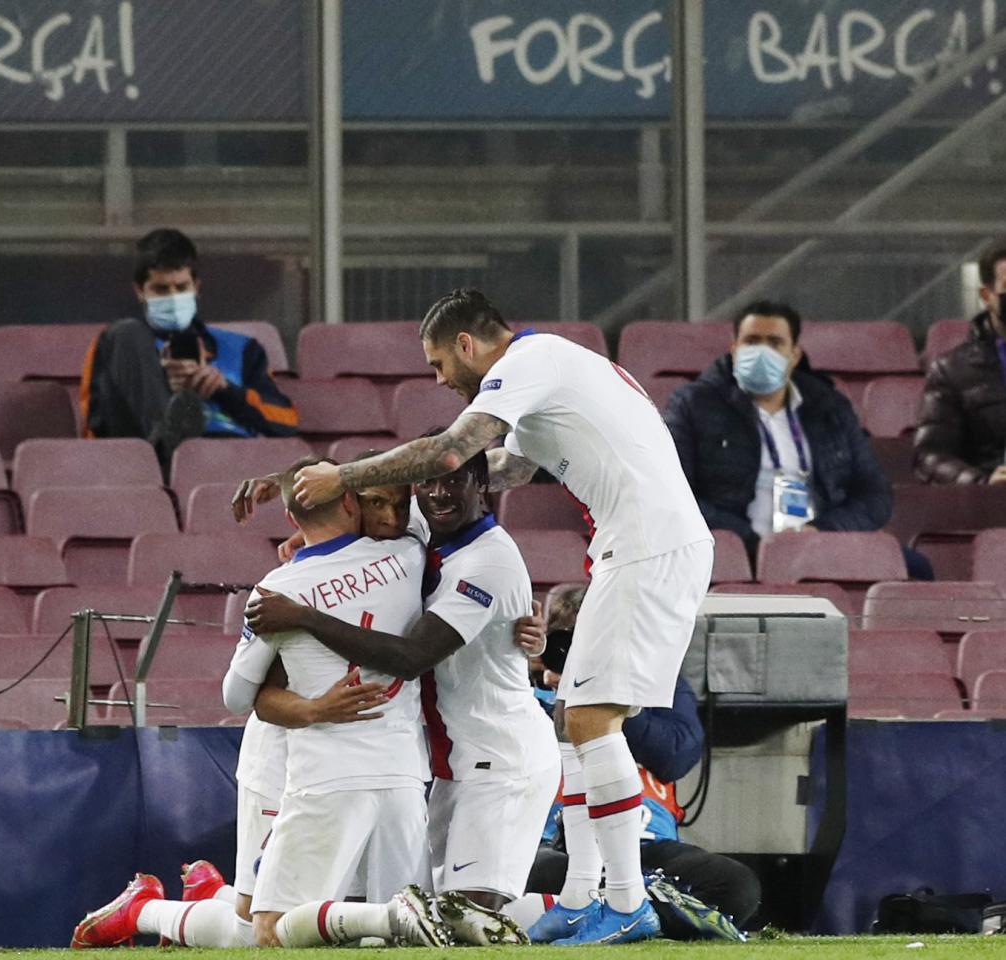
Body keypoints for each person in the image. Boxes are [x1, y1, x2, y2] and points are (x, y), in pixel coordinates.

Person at [246, 288, 713, 945]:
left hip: (646, 544)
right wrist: (322, 514)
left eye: (439, 365)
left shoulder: (527, 363)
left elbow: (450, 454)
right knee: (578, 717)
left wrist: (344, 478)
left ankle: (628, 902)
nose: (440, 380)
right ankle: (585, 897)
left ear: (466, 344)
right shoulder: (553, 372)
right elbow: (489, 469)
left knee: (588, 718)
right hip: (641, 543)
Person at [69, 472, 429, 950]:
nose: (390, 516)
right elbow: (246, 700)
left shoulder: (398, 551)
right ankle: (148, 910)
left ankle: (200, 896)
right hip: (283, 755)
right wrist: (315, 707)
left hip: (361, 763)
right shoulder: (394, 557)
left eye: (398, 506)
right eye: (377, 503)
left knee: (306, 921)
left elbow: (237, 692)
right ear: (351, 503)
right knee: (255, 924)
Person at [245, 449, 555, 946]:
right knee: (424, 922)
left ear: (481, 483)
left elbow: (411, 657)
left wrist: (304, 614)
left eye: (453, 482)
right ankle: (591, 899)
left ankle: (606, 899)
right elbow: (362, 500)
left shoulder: (488, 561)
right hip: (445, 762)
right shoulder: (423, 521)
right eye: (426, 484)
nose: (436, 493)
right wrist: (293, 492)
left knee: (455, 924)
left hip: (501, 760)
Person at [504, 585, 758, 940]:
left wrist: (603, 696)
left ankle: (625, 908)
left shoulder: (654, 685)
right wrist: (548, 685)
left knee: (736, 884)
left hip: (648, 840)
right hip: (560, 844)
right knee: (532, 872)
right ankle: (646, 909)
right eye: (578, 646)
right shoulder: (529, 694)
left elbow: (677, 755)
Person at [662, 301, 903, 566]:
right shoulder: (693, 405)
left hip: (819, 548)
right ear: (734, 349)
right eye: (752, 341)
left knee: (914, 566)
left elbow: (876, 495)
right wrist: (752, 543)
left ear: (794, 355)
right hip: (735, 552)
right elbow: (676, 494)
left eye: (775, 343)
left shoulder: (830, 407)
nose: (762, 352)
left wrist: (822, 531)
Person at [81, 229, 298, 459]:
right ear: (140, 291)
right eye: (161, 289)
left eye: (181, 287)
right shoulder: (120, 347)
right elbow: (97, 427)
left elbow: (287, 422)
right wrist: (161, 389)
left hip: (230, 460)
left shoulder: (242, 349)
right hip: (151, 463)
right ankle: (167, 439)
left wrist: (224, 390)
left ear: (196, 286)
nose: (173, 297)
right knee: (125, 332)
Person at [917, 240, 1006, 484]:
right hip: (994, 505)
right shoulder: (951, 371)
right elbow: (930, 457)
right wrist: (982, 481)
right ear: (986, 296)